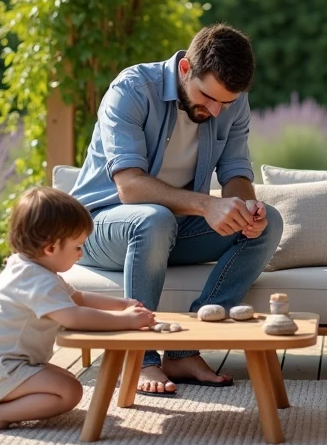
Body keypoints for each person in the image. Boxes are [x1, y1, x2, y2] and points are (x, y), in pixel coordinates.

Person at [69, 24, 283, 396]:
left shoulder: (231, 103)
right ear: (185, 69)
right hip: (99, 227)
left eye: (226, 103)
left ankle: (183, 351)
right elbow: (130, 186)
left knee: (268, 223)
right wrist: (207, 205)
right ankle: (142, 359)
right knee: (153, 219)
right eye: (207, 97)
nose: (216, 111)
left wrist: (244, 206)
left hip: (171, 227)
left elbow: (235, 172)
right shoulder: (132, 89)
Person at [0, 186, 154, 432]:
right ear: (50, 248)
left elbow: (78, 297)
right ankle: (0, 413)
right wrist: (126, 322)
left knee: (67, 380)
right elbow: (73, 316)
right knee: (69, 393)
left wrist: (123, 304)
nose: (80, 253)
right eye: (77, 246)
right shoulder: (35, 279)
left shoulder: (33, 270)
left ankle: (0, 405)